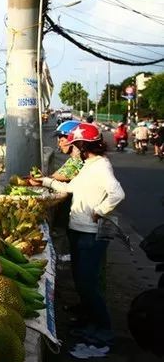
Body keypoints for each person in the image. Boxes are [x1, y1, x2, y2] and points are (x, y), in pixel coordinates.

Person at [31, 122, 125, 345]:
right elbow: (69, 188)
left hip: (90, 234)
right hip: (78, 231)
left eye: (75, 145)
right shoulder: (88, 165)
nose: (72, 149)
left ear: (83, 146)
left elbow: (117, 193)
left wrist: (100, 210)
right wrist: (43, 181)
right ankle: (89, 323)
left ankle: (104, 329)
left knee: (87, 284)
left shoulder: (101, 166)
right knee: (81, 281)